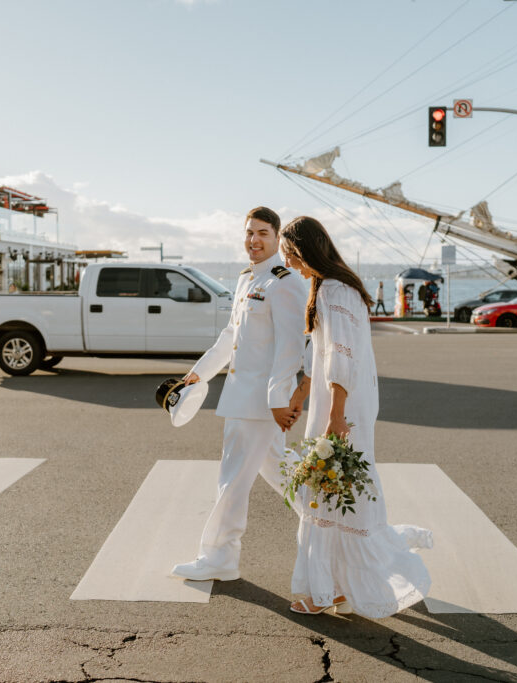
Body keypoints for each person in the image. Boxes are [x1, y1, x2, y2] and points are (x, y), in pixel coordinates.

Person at [279, 216, 432, 618]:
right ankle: (339, 588)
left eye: (290, 255)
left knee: (331, 490)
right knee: (336, 489)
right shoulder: (333, 288)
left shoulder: (333, 290)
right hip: (338, 403)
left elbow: (341, 358)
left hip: (341, 406)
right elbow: (323, 355)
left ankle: (326, 591)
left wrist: (336, 415)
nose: (291, 264)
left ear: (304, 249)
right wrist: (305, 396)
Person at [170, 206, 308, 582]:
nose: (254, 240)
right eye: (249, 233)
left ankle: (219, 557)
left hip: (260, 405)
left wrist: (279, 400)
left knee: (232, 481)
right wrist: (198, 374)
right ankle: (330, 528)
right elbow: (230, 337)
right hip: (243, 399)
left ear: (278, 237)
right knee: (285, 475)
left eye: (263, 233)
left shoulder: (286, 282)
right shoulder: (248, 279)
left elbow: (290, 348)